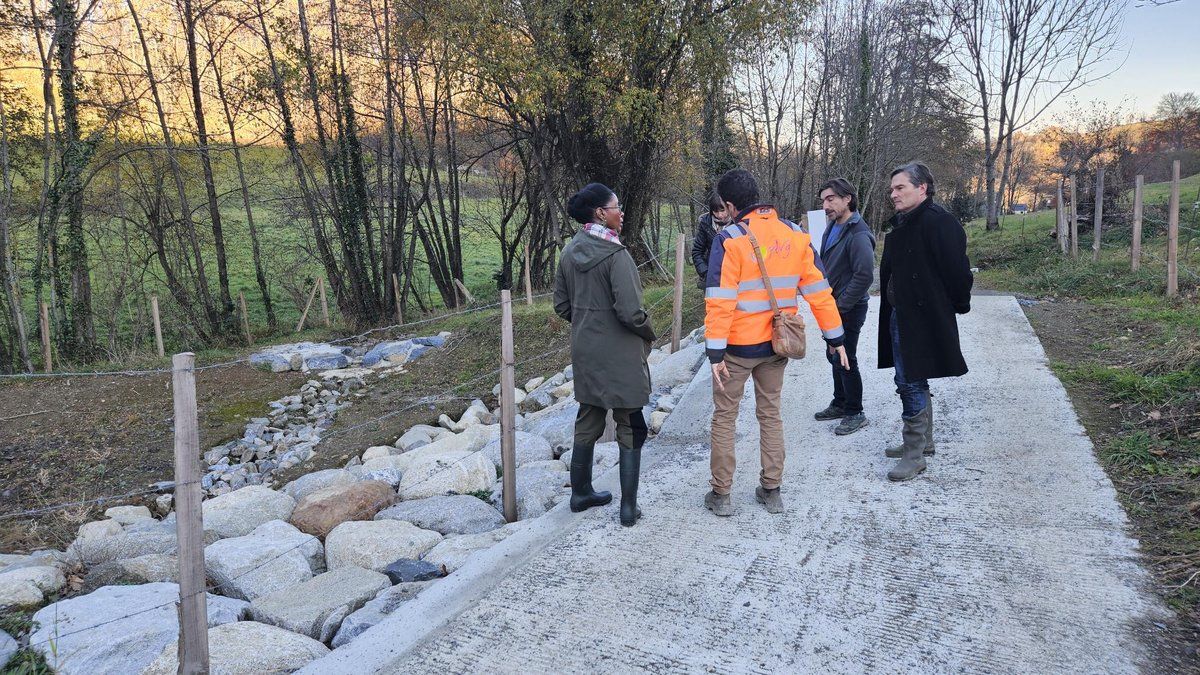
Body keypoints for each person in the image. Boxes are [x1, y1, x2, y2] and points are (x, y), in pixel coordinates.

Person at [703, 169, 848, 517]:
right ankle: (772, 491)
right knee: (770, 415)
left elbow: (720, 300)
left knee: (725, 417)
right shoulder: (796, 235)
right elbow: (819, 293)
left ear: (730, 204)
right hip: (776, 346)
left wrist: (714, 352)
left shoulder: (729, 239)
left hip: (736, 349)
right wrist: (836, 337)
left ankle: (721, 496)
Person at [554, 183, 657, 526]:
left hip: (586, 350)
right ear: (601, 213)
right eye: (617, 206)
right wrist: (648, 331)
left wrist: (588, 323)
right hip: (621, 353)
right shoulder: (616, 255)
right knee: (630, 423)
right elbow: (631, 312)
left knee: (589, 418)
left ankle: (580, 493)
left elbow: (562, 305)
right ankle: (628, 508)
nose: (621, 212)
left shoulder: (569, 252)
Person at [878, 162, 973, 482]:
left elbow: (959, 273)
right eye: (892, 189)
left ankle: (914, 454)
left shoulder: (940, 223)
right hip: (899, 316)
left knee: (910, 382)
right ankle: (924, 442)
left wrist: (956, 306)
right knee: (909, 379)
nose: (893, 194)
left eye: (900, 187)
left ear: (922, 188)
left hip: (920, 317)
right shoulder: (904, 223)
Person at [812, 178, 876, 436]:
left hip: (848, 307)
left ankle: (855, 412)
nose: (825, 205)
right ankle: (840, 403)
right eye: (823, 200)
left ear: (847, 198)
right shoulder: (834, 226)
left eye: (830, 199)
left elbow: (864, 277)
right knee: (833, 355)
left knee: (845, 357)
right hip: (833, 305)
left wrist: (840, 306)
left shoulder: (858, 232)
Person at [690, 192, 729, 288]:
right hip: (712, 274)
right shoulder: (705, 223)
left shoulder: (738, 222)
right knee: (712, 302)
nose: (720, 215)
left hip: (734, 275)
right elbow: (697, 251)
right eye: (716, 211)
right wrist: (705, 273)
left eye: (722, 210)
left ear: (729, 207)